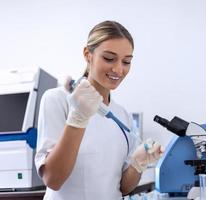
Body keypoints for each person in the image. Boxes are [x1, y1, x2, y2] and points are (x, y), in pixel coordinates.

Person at [35, 20, 164, 200]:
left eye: (126, 61)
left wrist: (138, 164)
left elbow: (123, 188)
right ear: (88, 54)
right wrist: (78, 118)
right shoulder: (58, 100)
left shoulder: (122, 115)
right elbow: (53, 180)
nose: (119, 69)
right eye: (109, 58)